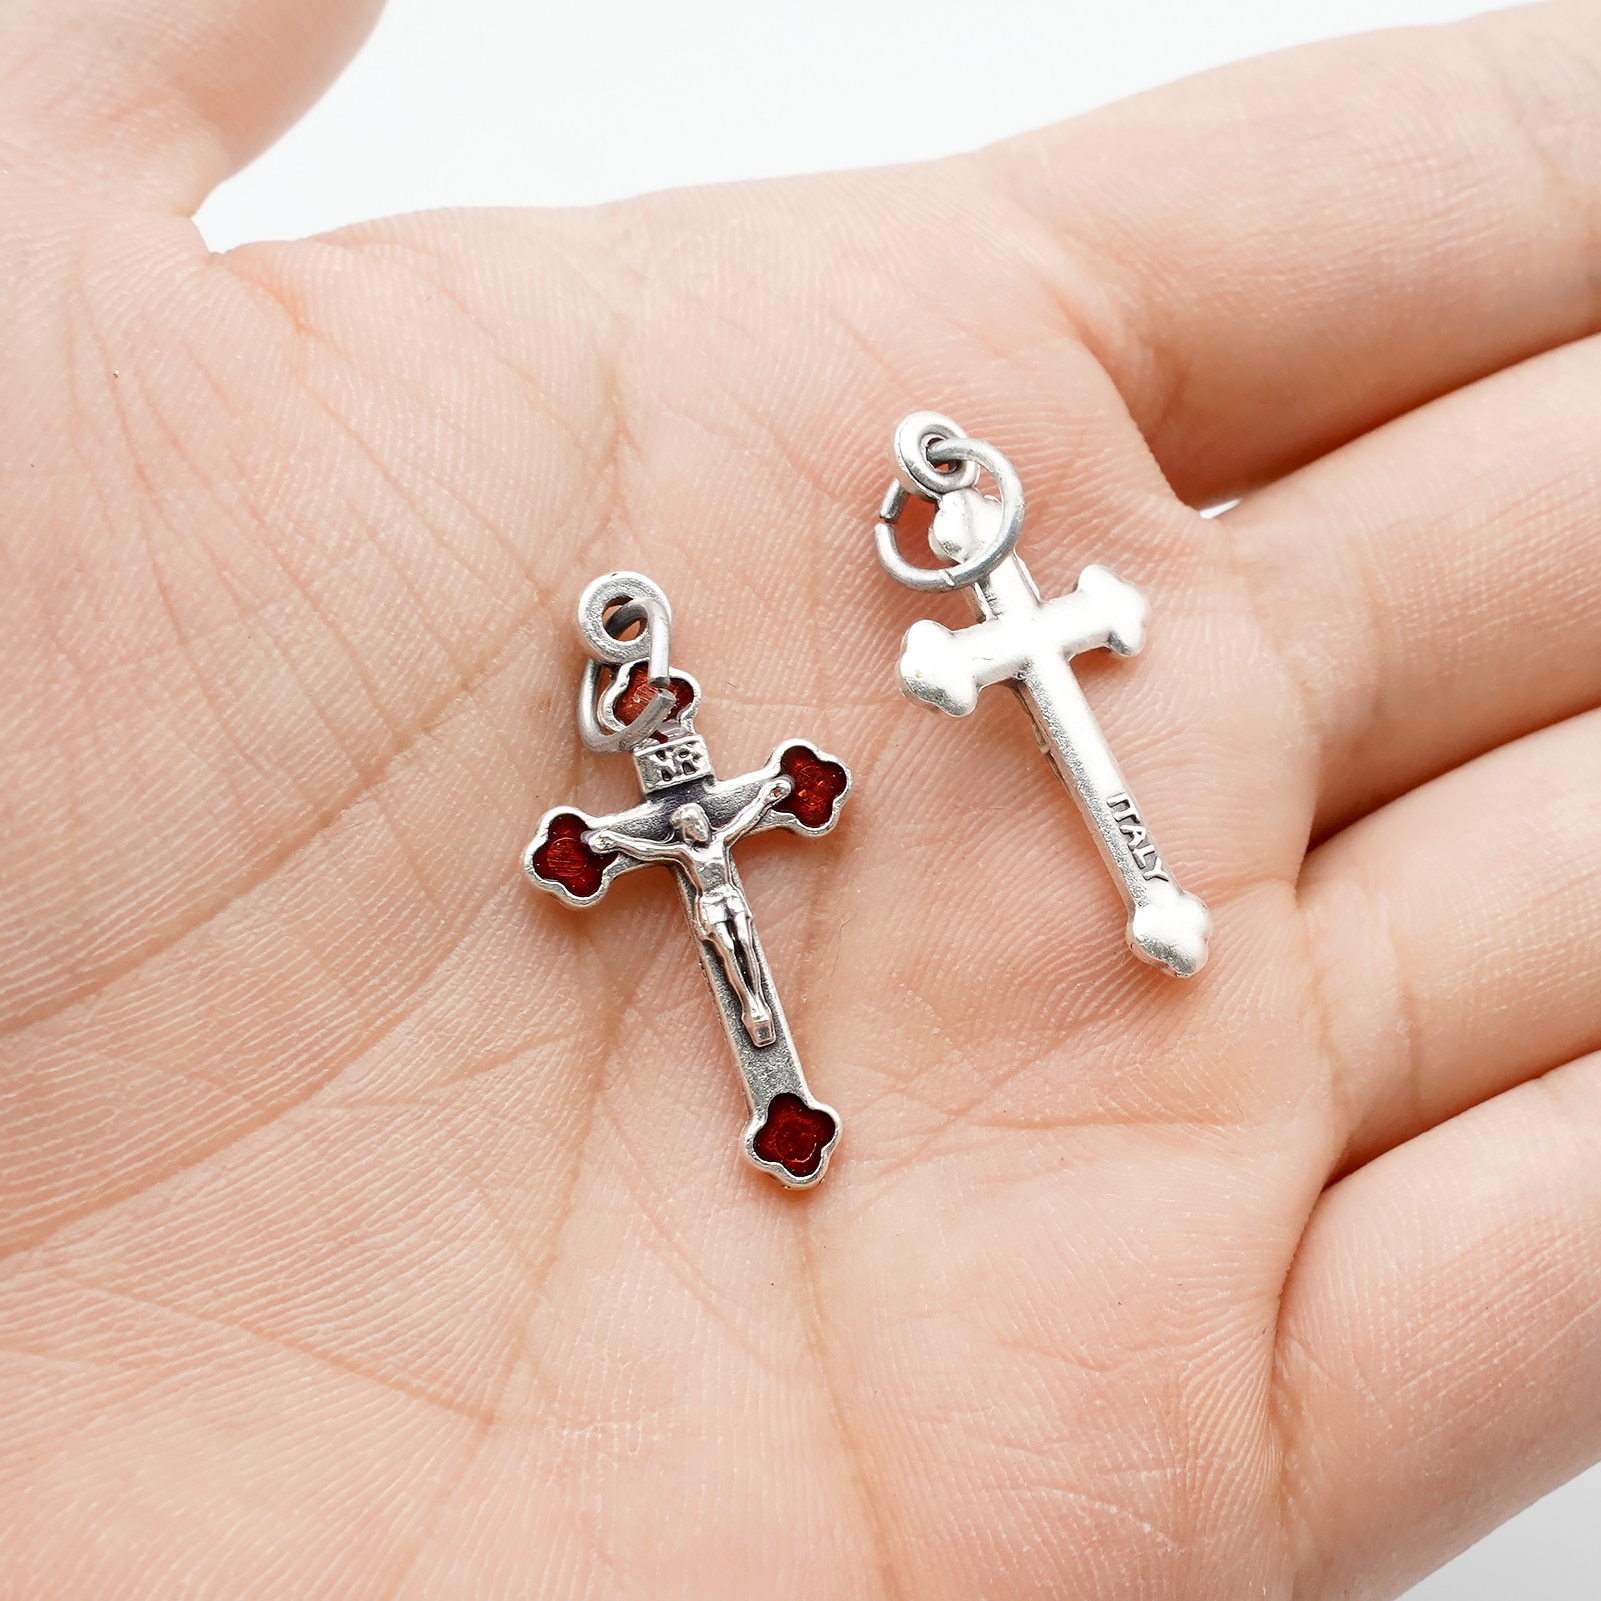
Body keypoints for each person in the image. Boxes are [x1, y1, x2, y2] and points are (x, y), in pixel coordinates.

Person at [1, 2, 1598, 1596]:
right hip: (742, 912)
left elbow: (787, 792)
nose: (687, 790)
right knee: (737, 960)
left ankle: (818, 1084)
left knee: (772, 912)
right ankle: (786, 1104)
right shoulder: (660, 818)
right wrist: (643, 829)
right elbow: (629, 841)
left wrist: (802, 770)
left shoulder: (845, 722)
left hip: (964, 700)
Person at [585, 780, 792, 1047]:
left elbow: (745, 819)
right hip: (711, 905)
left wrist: (766, 798)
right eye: (693, 825)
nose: (700, 826)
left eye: (700, 820)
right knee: (729, 951)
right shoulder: (684, 853)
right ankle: (749, 1005)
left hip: (732, 899)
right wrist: (616, 842)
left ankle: (760, 1001)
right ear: (686, 832)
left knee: (746, 945)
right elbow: (647, 850)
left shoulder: (720, 840)